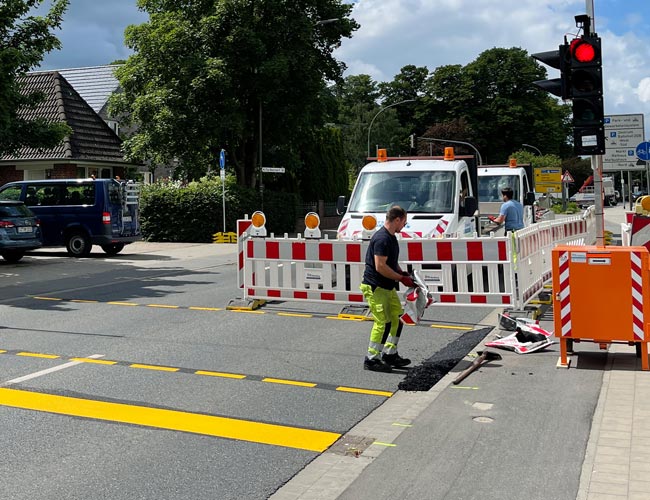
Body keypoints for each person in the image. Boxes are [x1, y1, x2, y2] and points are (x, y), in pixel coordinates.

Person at [360, 206, 416, 372]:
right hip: (376, 287)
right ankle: (372, 359)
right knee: (382, 322)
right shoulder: (382, 239)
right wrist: (401, 278)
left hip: (387, 286)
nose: (403, 226)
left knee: (398, 318)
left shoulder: (391, 238)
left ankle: (390, 353)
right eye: (403, 223)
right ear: (397, 219)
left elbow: (390, 262)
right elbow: (380, 266)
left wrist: (400, 272)